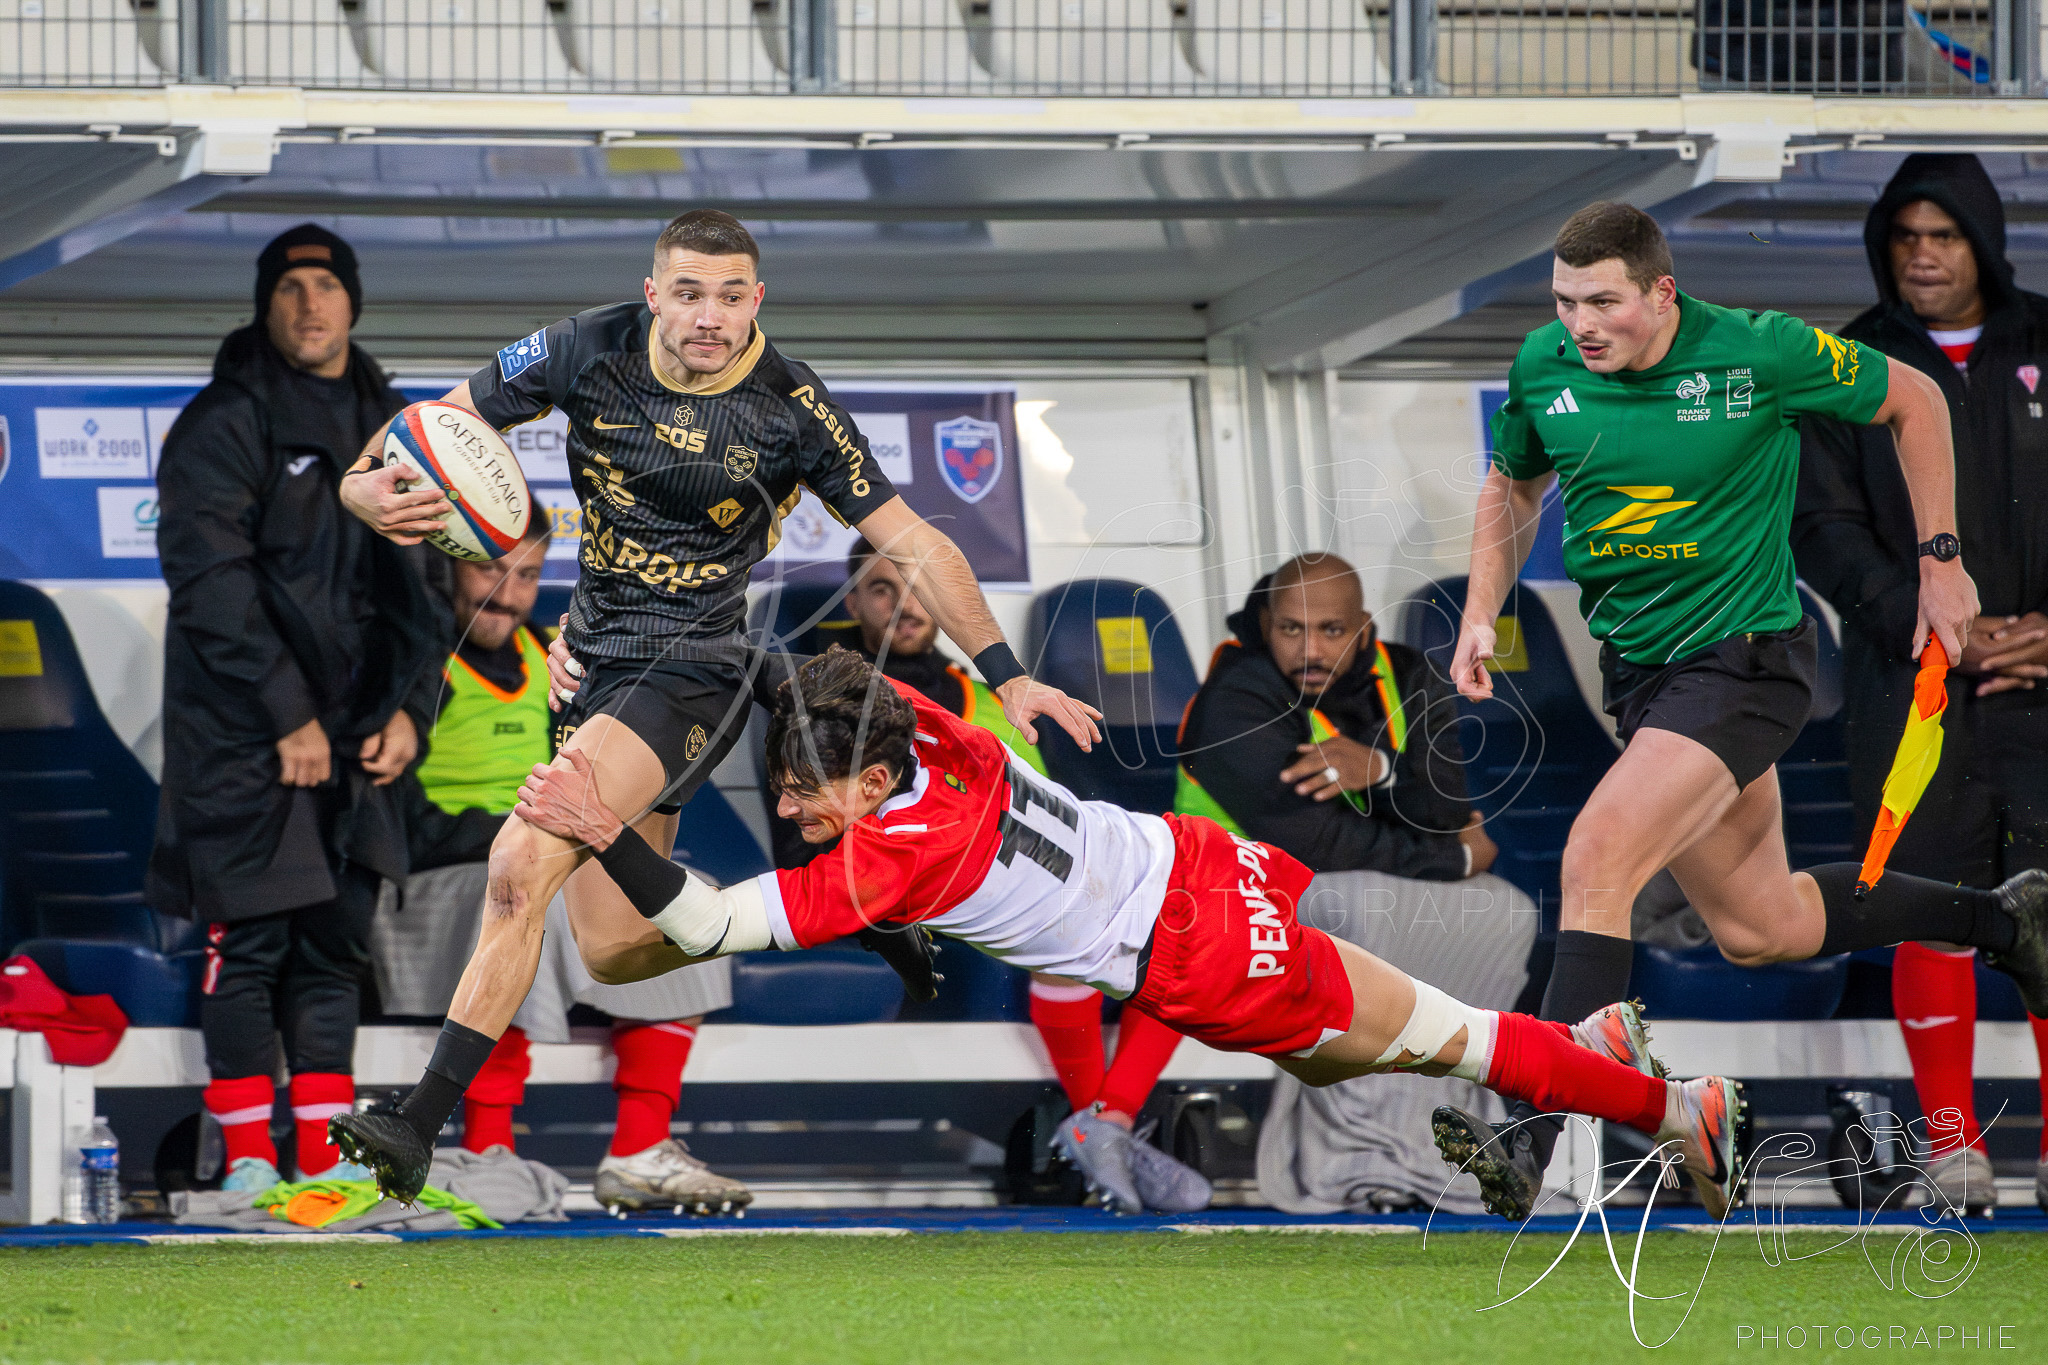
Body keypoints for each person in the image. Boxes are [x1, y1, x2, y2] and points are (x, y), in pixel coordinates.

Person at [326, 209, 1102, 1197]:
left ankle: (415, 1122)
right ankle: (847, 914)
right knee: (611, 952)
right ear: (654, 293)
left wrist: (1008, 671)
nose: (709, 316)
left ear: (755, 301)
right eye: (688, 292)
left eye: (730, 296)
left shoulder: (791, 404)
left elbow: (914, 542)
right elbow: (434, 424)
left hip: (693, 668)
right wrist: (362, 490)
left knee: (520, 860)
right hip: (598, 666)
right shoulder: (579, 348)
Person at [507, 646, 1753, 1221]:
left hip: (1203, 950)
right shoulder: (937, 731)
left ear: (869, 788)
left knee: (1452, 1046)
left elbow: (705, 919)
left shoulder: (890, 858)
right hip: (1199, 868)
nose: (787, 812)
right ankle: (1585, 1052)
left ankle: (1667, 1104)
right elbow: (822, 676)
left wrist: (596, 817)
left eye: (802, 796)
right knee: (1365, 1051)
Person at [1443, 199, 2048, 1221]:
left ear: (1659, 294)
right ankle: (2004, 918)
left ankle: (1527, 1134)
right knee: (1757, 927)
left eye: (1601, 301)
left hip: (1745, 662)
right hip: (1640, 676)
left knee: (1594, 862)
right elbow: (1512, 483)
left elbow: (1914, 404)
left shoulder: (1756, 352)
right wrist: (1475, 613)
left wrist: (1940, 565)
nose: (1578, 322)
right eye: (1563, 300)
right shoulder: (1544, 367)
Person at [149, 225, 447, 1191]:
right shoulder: (223, 422)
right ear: (264, 303)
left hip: (360, 743)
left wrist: (411, 714)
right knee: (254, 948)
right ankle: (243, 1168)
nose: (309, 304)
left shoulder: (394, 426)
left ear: (353, 303)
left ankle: (323, 1170)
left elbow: (427, 594)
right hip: (244, 739)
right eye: (290, 286)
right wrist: (285, 711)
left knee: (331, 953)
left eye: (326, 285)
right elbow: (210, 584)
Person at [785, 539, 1208, 1213]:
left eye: (920, 587)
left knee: (1177, 929)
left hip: (1007, 880)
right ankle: (1104, 1121)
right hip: (897, 889)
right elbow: (802, 826)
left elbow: (1056, 813)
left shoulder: (985, 700)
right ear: (854, 602)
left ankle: (1107, 1121)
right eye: (882, 589)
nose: (905, 605)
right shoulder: (827, 703)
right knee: (1071, 934)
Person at [1795, 153, 2048, 1217]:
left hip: (2041, 691)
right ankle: (1951, 1150)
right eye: (1902, 236)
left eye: (1941, 235)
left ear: (1981, 241)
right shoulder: (1843, 368)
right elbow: (1819, 529)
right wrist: (1931, 623)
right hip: (1913, 689)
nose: (1920, 255)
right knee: (1931, 913)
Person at [401, 515, 750, 1214]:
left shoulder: (555, 662)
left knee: (694, 900)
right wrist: (519, 839)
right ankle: (488, 1147)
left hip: (550, 847)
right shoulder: (419, 659)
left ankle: (640, 1149)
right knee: (523, 884)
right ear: (449, 569)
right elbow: (391, 809)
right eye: (489, 570)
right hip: (433, 875)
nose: (507, 593)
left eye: (526, 575)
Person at [1177, 552, 1497, 880]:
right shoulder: (1235, 697)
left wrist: (1381, 769)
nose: (1310, 651)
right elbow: (1313, 843)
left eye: (1332, 631)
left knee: (1495, 909)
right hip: (1231, 892)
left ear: (1362, 629)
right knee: (1498, 912)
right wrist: (1458, 860)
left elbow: (1449, 812)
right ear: (1266, 624)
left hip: (1348, 884)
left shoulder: (1409, 675)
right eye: (1290, 629)